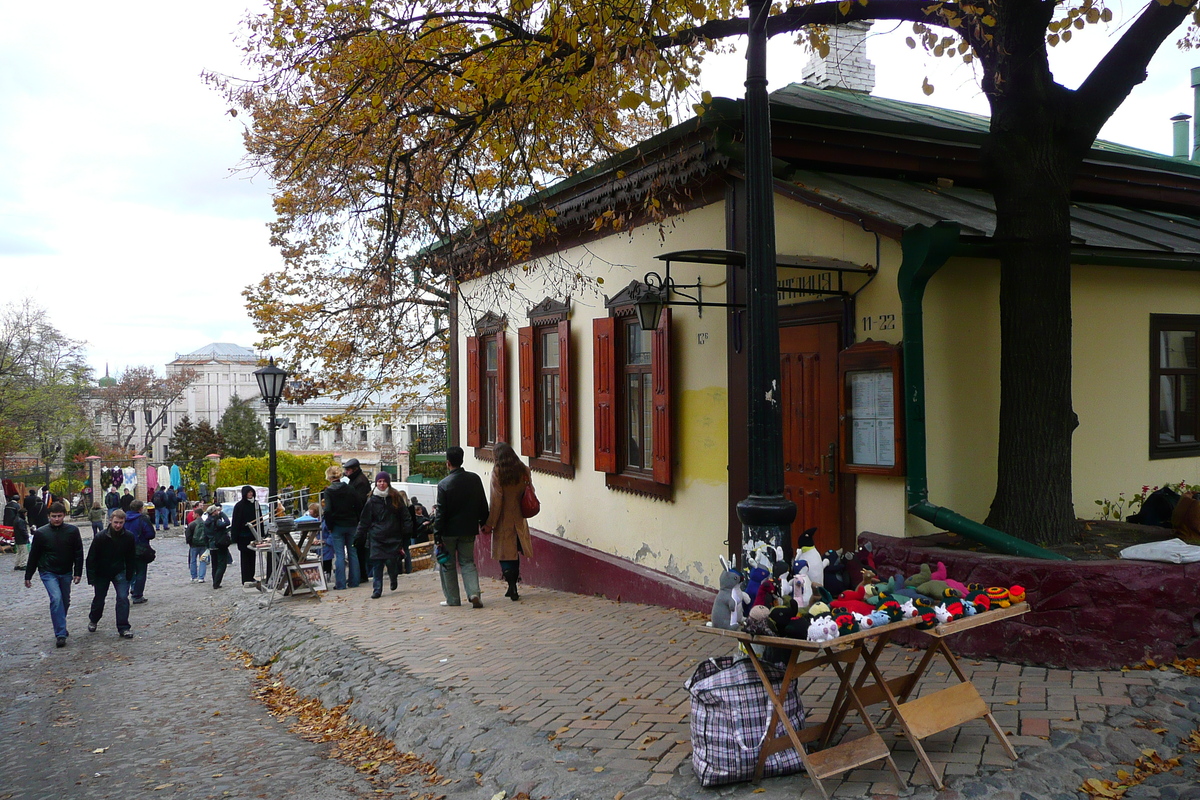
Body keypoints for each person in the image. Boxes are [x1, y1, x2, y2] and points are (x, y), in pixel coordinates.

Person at [432, 446, 489, 608]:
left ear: (448, 463)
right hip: (468, 529)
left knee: (448, 565)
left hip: (448, 532)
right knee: (468, 562)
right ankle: (473, 593)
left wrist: (437, 535)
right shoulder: (475, 479)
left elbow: (441, 512)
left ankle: (453, 599)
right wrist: (483, 522)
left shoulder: (444, 484)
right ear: (462, 460)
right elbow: (482, 503)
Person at [23, 501, 84, 648]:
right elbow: (34, 555)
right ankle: (60, 633)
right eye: (54, 516)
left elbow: (78, 553)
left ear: (64, 515)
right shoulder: (41, 533)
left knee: (65, 600)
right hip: (48, 571)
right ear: (49, 516)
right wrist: (28, 575)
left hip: (66, 571)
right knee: (56, 599)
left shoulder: (72, 531)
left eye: (59, 516)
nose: (56, 519)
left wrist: (78, 572)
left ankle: (60, 623)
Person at [484, 442, 535, 602]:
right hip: (519, 518)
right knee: (515, 553)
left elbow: (496, 500)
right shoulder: (523, 470)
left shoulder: (498, 472)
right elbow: (531, 491)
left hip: (503, 520)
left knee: (505, 554)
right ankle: (514, 585)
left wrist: (490, 523)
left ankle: (511, 584)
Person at [356, 472, 412, 599]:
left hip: (393, 536)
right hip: (376, 537)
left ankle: (393, 577)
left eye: (384, 481)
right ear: (376, 483)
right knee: (377, 563)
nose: (381, 484)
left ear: (388, 483)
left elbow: (405, 515)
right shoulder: (371, 500)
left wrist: (407, 530)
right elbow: (364, 520)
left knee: (391, 562)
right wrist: (359, 535)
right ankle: (377, 589)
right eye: (379, 481)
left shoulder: (395, 497)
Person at [84, 509, 136, 639]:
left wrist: (130, 574)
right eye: (116, 522)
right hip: (102, 572)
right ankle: (94, 619)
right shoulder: (100, 537)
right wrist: (91, 577)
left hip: (120, 571)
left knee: (123, 598)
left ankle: (124, 627)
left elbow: (131, 557)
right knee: (99, 599)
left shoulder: (128, 536)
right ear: (110, 521)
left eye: (121, 523)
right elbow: (91, 558)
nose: (118, 525)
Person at [322, 463, 368, 590]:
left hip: (337, 525)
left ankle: (341, 583)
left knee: (340, 555)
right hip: (351, 524)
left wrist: (330, 526)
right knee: (352, 553)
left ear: (329, 477)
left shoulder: (329, 491)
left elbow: (328, 511)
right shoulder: (350, 489)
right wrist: (356, 520)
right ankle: (354, 581)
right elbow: (358, 505)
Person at [341, 459, 372, 583]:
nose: (346, 473)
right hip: (359, 518)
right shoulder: (357, 480)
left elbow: (359, 502)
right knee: (359, 549)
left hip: (359, 519)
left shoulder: (360, 482)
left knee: (359, 549)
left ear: (354, 470)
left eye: (348, 470)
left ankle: (361, 575)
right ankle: (360, 574)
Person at [124, 500, 156, 605]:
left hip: (125, 549)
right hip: (140, 548)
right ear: (140, 508)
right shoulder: (142, 519)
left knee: (129, 571)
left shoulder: (122, 518)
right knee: (141, 572)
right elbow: (151, 534)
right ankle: (137, 595)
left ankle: (131, 589)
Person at [231, 485, 261, 588]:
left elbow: (259, 520)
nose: (250, 494)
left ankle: (251, 576)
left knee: (252, 557)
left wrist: (260, 534)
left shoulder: (256, 504)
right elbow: (236, 522)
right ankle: (245, 578)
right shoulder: (239, 506)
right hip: (243, 536)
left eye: (251, 492)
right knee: (245, 558)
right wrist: (234, 537)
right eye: (248, 493)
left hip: (253, 535)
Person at [203, 504, 233, 589]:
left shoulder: (206, 522)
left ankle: (215, 581)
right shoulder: (216, 521)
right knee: (222, 565)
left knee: (214, 565)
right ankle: (216, 583)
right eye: (216, 510)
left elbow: (205, 535)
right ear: (213, 512)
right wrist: (222, 514)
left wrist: (207, 546)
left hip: (211, 545)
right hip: (219, 544)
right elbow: (227, 522)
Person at [184, 502, 208, 584]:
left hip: (194, 545)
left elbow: (188, 536)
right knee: (203, 561)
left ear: (197, 514)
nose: (192, 515)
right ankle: (201, 577)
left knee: (193, 561)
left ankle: (194, 577)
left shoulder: (192, 524)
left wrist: (190, 543)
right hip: (203, 545)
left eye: (194, 514)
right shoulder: (205, 524)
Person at [6, 493, 30, 571]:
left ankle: (17, 564)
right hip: (22, 538)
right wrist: (27, 536)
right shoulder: (21, 520)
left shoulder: (8, 506)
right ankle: (22, 564)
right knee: (23, 552)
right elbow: (23, 530)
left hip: (17, 537)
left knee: (19, 552)